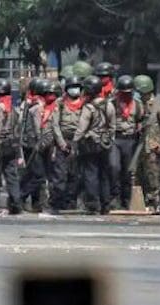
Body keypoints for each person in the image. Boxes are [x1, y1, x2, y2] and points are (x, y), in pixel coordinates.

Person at [21, 80, 68, 215]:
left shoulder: (57, 107)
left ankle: (45, 202)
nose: (51, 97)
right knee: (38, 176)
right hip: (37, 146)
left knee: (51, 175)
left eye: (54, 94)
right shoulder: (35, 108)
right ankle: (20, 196)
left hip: (51, 146)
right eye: (48, 94)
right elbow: (36, 129)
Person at [73, 76, 115, 215]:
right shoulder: (109, 105)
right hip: (105, 144)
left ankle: (93, 204)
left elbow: (81, 128)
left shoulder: (89, 107)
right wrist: (108, 140)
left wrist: (75, 142)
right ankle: (105, 204)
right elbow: (112, 126)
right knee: (104, 174)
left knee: (91, 174)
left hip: (90, 145)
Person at [133, 74, 160, 209]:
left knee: (154, 176)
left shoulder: (157, 104)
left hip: (152, 147)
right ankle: (142, 202)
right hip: (139, 147)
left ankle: (155, 202)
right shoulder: (138, 104)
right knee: (138, 175)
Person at [0, 78, 23, 214]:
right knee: (11, 175)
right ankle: (16, 203)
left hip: (0, 145)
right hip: (11, 144)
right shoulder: (12, 106)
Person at [109, 75, 144, 210]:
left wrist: (140, 128)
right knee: (114, 167)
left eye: (128, 93)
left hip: (130, 140)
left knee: (127, 172)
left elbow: (140, 119)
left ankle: (126, 200)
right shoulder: (112, 103)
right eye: (123, 93)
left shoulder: (137, 105)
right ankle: (115, 197)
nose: (125, 95)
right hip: (115, 139)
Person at [58, 75, 86, 210]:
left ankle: (71, 200)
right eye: (71, 87)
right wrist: (61, 143)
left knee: (76, 174)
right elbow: (55, 125)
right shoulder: (60, 103)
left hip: (78, 141)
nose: (74, 90)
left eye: (76, 87)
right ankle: (60, 200)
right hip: (62, 140)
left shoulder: (85, 105)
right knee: (61, 173)